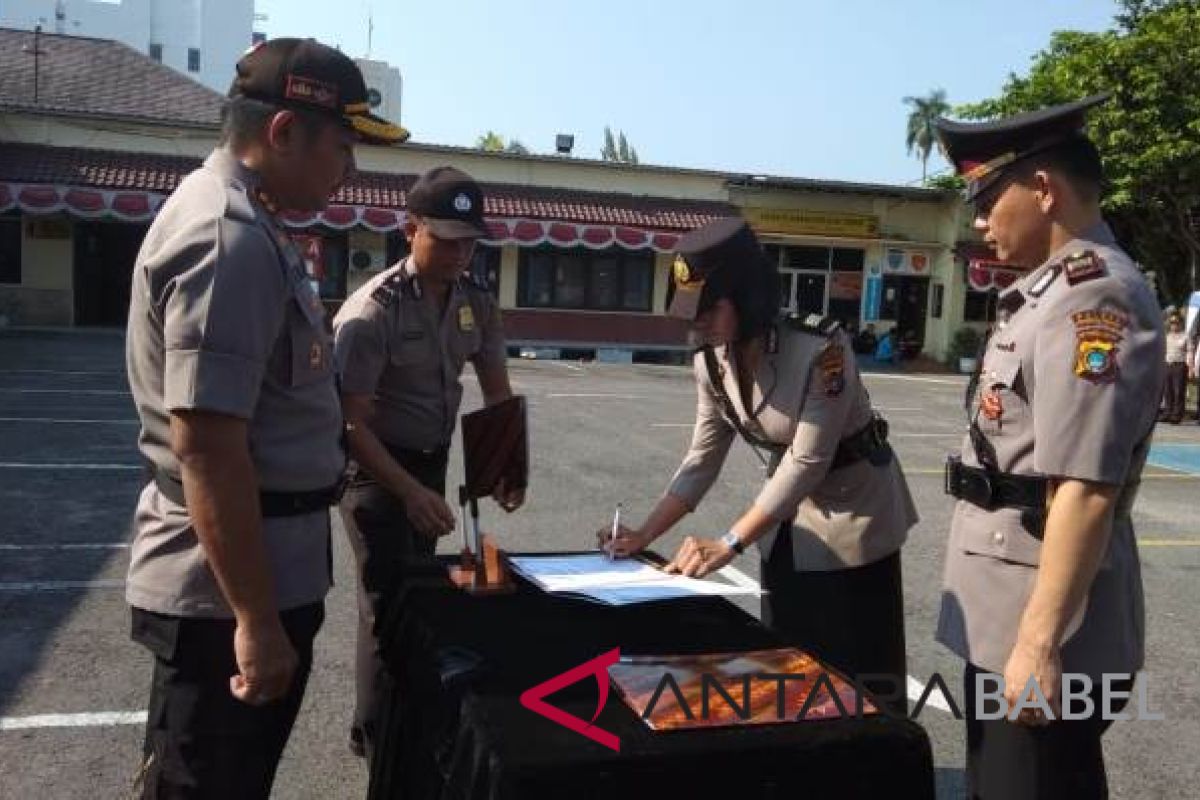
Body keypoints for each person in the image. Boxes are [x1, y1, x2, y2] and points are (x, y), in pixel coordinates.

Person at [124, 38, 407, 798]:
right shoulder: (230, 239)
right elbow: (209, 450)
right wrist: (255, 620)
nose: (350, 171)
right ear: (283, 132)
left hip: (256, 572)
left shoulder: (253, 222)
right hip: (226, 596)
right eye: (342, 148)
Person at [935, 94, 1163, 799]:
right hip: (1008, 608)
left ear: (1043, 189)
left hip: (1043, 626)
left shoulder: (1093, 300)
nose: (979, 221)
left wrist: (1037, 642)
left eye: (987, 198)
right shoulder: (1045, 296)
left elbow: (1087, 487)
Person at [596, 218, 917, 715]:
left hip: (855, 520)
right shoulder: (710, 361)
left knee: (860, 677)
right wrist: (644, 535)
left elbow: (808, 461)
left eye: (707, 311)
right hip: (784, 521)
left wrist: (728, 542)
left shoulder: (821, 350)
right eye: (690, 313)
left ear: (745, 296)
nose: (695, 324)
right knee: (789, 663)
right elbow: (702, 457)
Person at [332, 165, 524, 759]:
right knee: (386, 601)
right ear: (409, 228)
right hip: (374, 471)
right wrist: (408, 493)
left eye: (469, 240)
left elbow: (497, 391)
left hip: (430, 464)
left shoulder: (476, 302)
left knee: (421, 594)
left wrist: (505, 468)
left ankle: (403, 719)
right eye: (444, 238)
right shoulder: (372, 313)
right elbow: (347, 423)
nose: (460, 253)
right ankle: (375, 734)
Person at [1160, 314, 1187, 423]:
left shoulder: (1185, 336)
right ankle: (1167, 413)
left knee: (1178, 391)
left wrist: (1191, 366)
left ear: (1180, 324)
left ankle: (1177, 415)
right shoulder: (1167, 336)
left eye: (1176, 323)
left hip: (1179, 365)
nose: (1173, 325)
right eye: (1171, 323)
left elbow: (1190, 351)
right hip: (1168, 364)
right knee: (1168, 391)